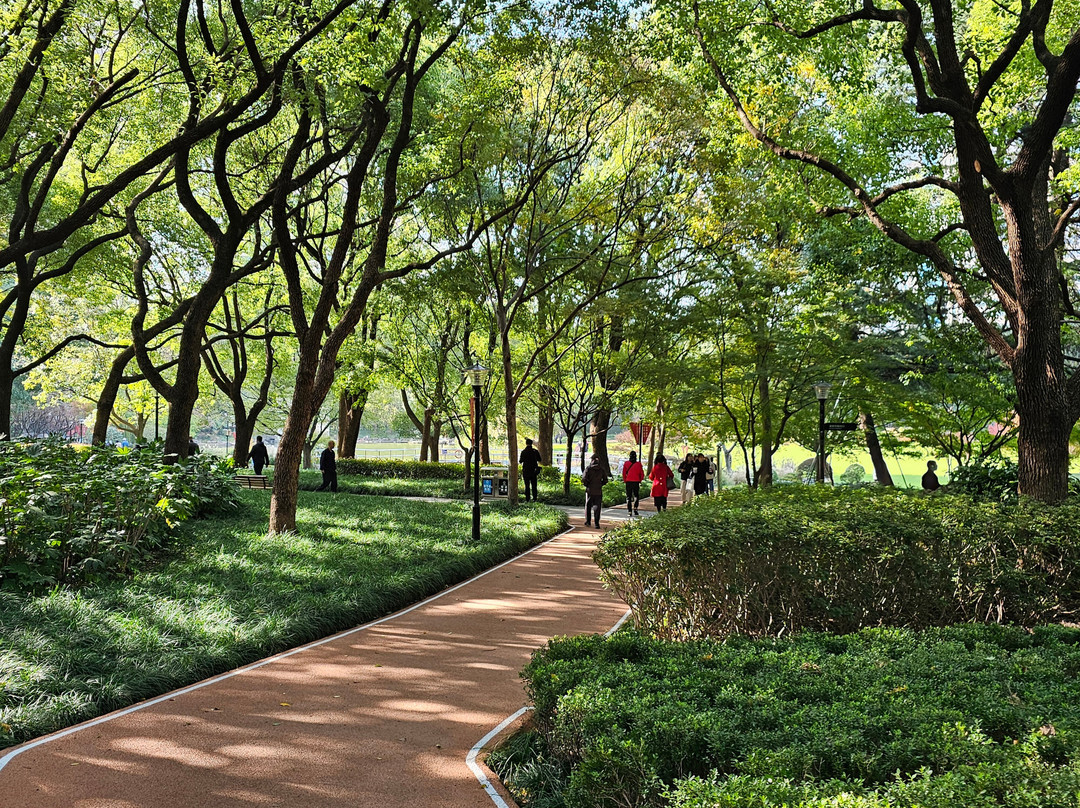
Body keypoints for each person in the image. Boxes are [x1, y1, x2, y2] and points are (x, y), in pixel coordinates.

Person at [581, 454, 609, 527]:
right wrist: (600, 484)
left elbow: (583, 479)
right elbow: (606, 480)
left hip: (590, 490)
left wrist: (587, 485)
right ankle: (597, 523)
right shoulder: (601, 469)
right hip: (598, 490)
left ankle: (588, 521)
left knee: (588, 506)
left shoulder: (588, 468)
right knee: (597, 507)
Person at [621, 451, 645, 516]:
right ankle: (635, 509)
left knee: (628, 497)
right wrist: (640, 480)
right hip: (636, 482)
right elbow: (642, 474)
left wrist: (625, 480)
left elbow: (623, 473)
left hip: (628, 481)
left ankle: (629, 511)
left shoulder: (626, 463)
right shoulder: (639, 464)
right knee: (636, 496)